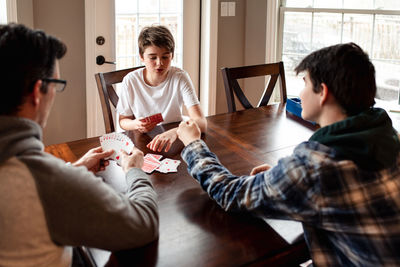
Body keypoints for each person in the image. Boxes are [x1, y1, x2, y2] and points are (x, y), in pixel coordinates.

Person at [176, 43, 400, 266]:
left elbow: (230, 193)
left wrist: (193, 144)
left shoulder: (314, 167)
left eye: (304, 83)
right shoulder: (389, 137)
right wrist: (283, 176)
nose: (300, 92)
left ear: (323, 92)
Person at [0, 23, 158, 267]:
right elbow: (142, 223)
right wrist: (135, 171)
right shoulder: (44, 181)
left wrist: (75, 169)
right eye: (55, 83)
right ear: (36, 93)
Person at [116, 25, 207, 153]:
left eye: (165, 57)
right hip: (144, 141)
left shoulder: (180, 77)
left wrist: (176, 132)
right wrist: (137, 124)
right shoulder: (130, 81)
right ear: (141, 57)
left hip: (176, 140)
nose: (160, 63)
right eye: (153, 57)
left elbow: (201, 122)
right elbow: (123, 121)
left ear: (172, 55)